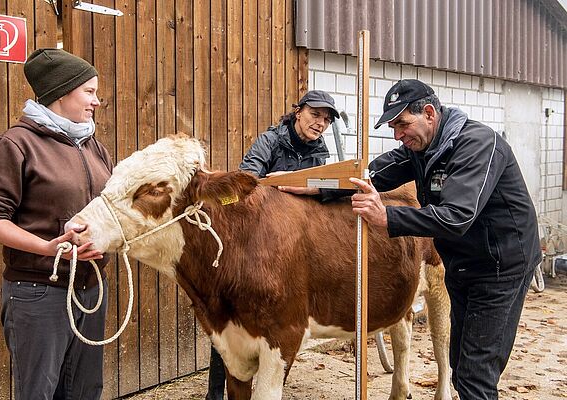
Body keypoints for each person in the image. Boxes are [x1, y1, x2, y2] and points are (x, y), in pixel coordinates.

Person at [350, 79, 541, 399]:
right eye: (393, 127)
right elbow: (366, 176)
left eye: (402, 124)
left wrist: (387, 217)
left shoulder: (477, 145)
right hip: (462, 264)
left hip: (500, 266)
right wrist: (315, 185)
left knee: (476, 372)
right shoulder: (421, 148)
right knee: (459, 362)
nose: (398, 135)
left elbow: (457, 217)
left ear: (428, 113)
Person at [0, 48, 113, 399]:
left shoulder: (93, 145)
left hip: (90, 287)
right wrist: (47, 248)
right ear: (62, 92)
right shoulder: (15, 144)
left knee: (85, 391)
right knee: (39, 392)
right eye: (89, 91)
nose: (97, 101)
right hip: (38, 291)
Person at [204, 90, 340, 400]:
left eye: (327, 120)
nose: (321, 124)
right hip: (251, 239)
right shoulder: (270, 141)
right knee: (228, 317)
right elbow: (246, 180)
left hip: (286, 245)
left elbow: (317, 196)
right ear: (298, 112)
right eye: (316, 115)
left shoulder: (319, 152)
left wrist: (306, 187)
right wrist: (276, 182)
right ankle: (213, 394)